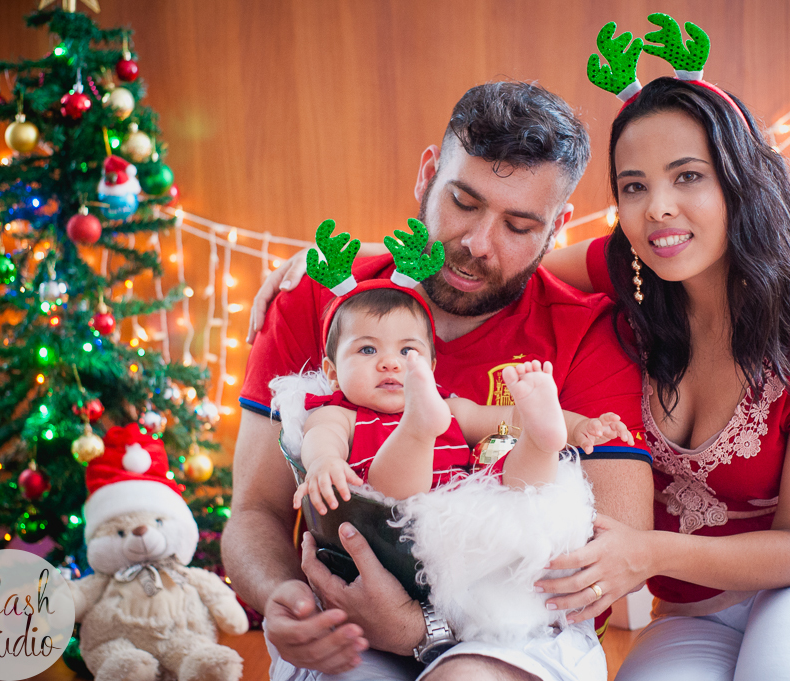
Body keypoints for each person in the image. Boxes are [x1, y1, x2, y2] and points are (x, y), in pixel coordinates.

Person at [224, 81, 654, 681]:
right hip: (344, 613)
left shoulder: (587, 335)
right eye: (464, 201)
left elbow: (609, 561)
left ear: (557, 226)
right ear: (428, 175)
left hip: (512, 629)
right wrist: (279, 599)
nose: (478, 245)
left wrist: (422, 631)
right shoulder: (323, 299)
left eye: (520, 225)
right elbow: (256, 510)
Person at [526, 60, 790, 680]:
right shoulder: (633, 273)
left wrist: (644, 552)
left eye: (688, 176)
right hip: (696, 611)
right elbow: (515, 269)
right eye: (633, 186)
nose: (659, 208)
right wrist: (388, 269)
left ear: (742, 183)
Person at [292, 283, 633, 510]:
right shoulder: (341, 414)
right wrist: (324, 463)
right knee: (388, 490)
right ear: (332, 372)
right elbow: (321, 440)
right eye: (367, 349)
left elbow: (509, 418)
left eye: (407, 350)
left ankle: (542, 442)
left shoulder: (451, 408)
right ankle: (416, 431)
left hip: (466, 519)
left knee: (515, 476)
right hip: (394, 521)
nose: (390, 363)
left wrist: (579, 427)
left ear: (431, 364)